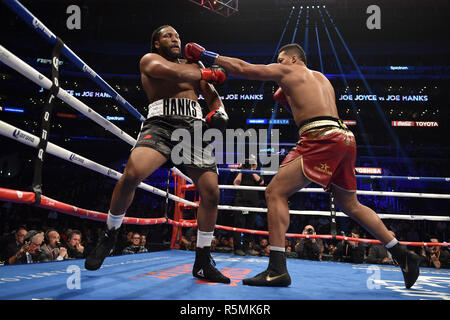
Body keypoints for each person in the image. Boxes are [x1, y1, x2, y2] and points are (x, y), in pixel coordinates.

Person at [184, 42, 421, 288]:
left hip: (320, 137)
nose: (279, 64)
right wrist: (284, 98)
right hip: (344, 138)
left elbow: (245, 68)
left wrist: (206, 55)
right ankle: (402, 254)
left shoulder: (290, 71)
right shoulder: (322, 80)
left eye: (282, 59)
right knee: (349, 203)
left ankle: (277, 269)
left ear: (295, 59)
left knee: (275, 191)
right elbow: (305, 108)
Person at [85, 25, 230, 284]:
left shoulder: (194, 67)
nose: (175, 39)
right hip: (160, 124)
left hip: (193, 128)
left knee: (212, 192)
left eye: (177, 36)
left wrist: (219, 113)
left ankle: (202, 260)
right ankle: (110, 234)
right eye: (168, 36)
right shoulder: (150, 60)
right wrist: (206, 70)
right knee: (132, 174)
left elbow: (213, 97)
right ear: (156, 43)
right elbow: (173, 73)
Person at [232, 155, 264, 256]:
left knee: (250, 225)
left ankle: (246, 248)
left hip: (252, 204)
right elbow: (236, 184)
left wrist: (252, 170)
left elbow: (261, 182)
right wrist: (242, 170)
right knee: (239, 223)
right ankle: (237, 248)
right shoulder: (240, 172)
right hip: (242, 203)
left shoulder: (256, 173)